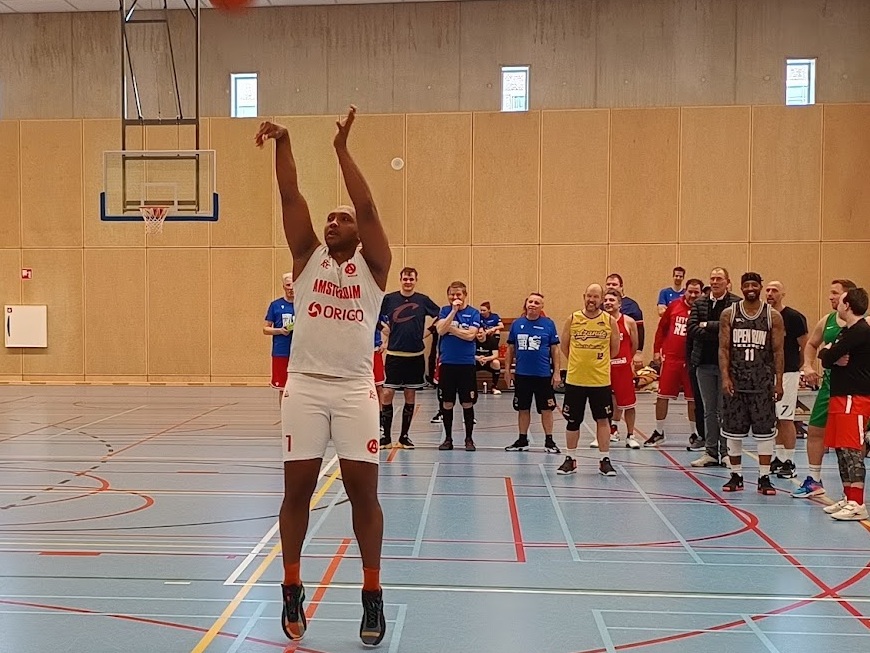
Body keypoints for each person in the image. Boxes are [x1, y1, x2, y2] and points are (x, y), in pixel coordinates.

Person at [255, 106, 390, 646]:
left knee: (364, 496)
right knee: (297, 493)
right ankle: (291, 586)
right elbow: (290, 196)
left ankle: (372, 593)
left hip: (355, 391)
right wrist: (284, 142)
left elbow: (368, 205)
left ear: (359, 233)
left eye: (342, 219)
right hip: (305, 388)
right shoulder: (307, 257)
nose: (333, 222)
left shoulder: (375, 268)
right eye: (329, 218)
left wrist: (340, 150)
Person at [718, 272, 784, 495]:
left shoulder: (772, 316)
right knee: (733, 432)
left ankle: (764, 477)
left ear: (760, 287)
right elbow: (723, 349)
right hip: (736, 383)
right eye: (746, 285)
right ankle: (735, 475)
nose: (750, 289)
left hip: (762, 383)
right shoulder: (729, 314)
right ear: (741, 287)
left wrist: (779, 381)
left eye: (754, 285)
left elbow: (778, 351)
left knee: (765, 433)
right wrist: (725, 377)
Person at [795, 279, 859, 498]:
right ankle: (814, 480)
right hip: (830, 384)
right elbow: (812, 344)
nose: (830, 297)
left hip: (854, 387)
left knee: (851, 440)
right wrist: (807, 365)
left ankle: (853, 490)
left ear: (847, 298)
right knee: (815, 430)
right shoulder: (828, 320)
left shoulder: (863, 324)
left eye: (835, 293)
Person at [818, 287, 870, 520]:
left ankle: (858, 503)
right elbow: (826, 356)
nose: (835, 303)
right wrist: (829, 354)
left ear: (847, 305)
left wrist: (830, 354)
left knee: (852, 450)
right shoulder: (845, 331)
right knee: (840, 448)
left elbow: (829, 356)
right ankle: (848, 497)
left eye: (839, 300)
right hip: (840, 396)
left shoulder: (860, 331)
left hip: (854, 397)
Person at [557, 284, 620, 476]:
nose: (591, 300)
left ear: (601, 298)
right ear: (584, 296)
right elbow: (565, 346)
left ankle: (604, 459)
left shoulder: (609, 321)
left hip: (600, 381)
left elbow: (614, 349)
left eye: (596, 297)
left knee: (603, 420)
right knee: (572, 421)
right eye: (589, 296)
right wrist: (579, 362)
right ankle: (570, 459)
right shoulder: (573, 319)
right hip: (575, 379)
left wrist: (597, 362)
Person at [378, 267, 440, 449]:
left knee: (410, 394)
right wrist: (383, 329)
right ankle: (386, 437)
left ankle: (404, 437)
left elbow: (441, 315)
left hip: (415, 355)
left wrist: (429, 331)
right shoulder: (389, 299)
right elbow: (372, 314)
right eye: (405, 279)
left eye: (411, 279)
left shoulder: (423, 300)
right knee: (387, 393)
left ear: (415, 280)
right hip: (394, 355)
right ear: (400, 280)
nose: (408, 282)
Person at [688, 267, 741, 467]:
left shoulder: (736, 303)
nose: (715, 282)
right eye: (712, 278)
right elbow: (692, 329)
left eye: (719, 278)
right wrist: (718, 330)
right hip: (704, 363)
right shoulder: (699, 303)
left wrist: (706, 325)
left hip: (727, 366)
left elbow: (734, 329)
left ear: (727, 282)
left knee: (725, 409)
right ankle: (710, 452)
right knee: (708, 410)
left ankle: (726, 452)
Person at [646, 278, 704, 447]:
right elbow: (661, 329)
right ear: (685, 291)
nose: (693, 295)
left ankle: (695, 433)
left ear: (701, 293)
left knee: (692, 399)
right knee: (662, 396)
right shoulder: (674, 306)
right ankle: (659, 432)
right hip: (671, 359)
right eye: (690, 291)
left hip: (692, 361)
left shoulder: (702, 309)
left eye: (696, 292)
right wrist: (656, 350)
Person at [503, 293, 561, 454]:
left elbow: (555, 349)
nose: (533, 304)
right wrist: (507, 370)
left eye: (537, 302)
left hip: (543, 375)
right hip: (522, 375)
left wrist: (557, 372)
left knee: (546, 409)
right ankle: (522, 440)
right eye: (530, 301)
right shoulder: (517, 324)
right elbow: (510, 348)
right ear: (526, 303)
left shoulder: (548, 324)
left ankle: (549, 441)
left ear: (542, 307)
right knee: (523, 408)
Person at [764, 281, 808, 480]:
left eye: (774, 290)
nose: (770, 293)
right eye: (768, 290)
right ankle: (780, 457)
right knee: (773, 418)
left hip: (788, 373)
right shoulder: (763, 315)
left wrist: (798, 368)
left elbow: (805, 345)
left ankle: (789, 461)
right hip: (767, 372)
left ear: (783, 294)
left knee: (785, 417)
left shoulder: (794, 317)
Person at [435, 282, 481, 451]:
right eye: (452, 295)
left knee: (467, 402)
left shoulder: (474, 313)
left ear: (465, 295)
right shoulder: (445, 311)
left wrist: (451, 329)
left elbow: (470, 336)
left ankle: (469, 439)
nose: (455, 298)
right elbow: (440, 330)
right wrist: (453, 312)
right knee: (447, 402)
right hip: (448, 363)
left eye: (458, 295)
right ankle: (448, 439)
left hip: (466, 364)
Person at [602, 289, 641, 449]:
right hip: (604, 368)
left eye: (612, 300)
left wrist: (628, 361)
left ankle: (630, 435)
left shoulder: (629, 321)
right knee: (605, 403)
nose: (608, 303)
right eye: (606, 300)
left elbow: (634, 345)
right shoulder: (600, 321)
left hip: (623, 368)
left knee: (629, 404)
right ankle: (606, 433)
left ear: (619, 304)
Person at [263, 273, 295, 404]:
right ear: (283, 286)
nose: (291, 288)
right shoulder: (275, 305)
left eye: (293, 285)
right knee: (283, 388)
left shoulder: (303, 304)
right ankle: (284, 415)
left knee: (299, 389)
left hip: (300, 353)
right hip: (281, 352)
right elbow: (266, 329)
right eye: (288, 285)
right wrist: (280, 331)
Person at [605, 273, 644, 369]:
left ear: (621, 286)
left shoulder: (632, 306)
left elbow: (639, 331)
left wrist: (638, 352)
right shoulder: (602, 306)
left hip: (623, 358)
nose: (611, 286)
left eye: (614, 284)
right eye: (608, 284)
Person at [475, 329, 502, 395]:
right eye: (477, 333)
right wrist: (478, 358)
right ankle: (471, 387)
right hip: (476, 361)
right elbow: (469, 354)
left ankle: (494, 387)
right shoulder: (472, 340)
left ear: (485, 332)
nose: (479, 335)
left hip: (488, 361)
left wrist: (486, 359)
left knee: (496, 363)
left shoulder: (492, 340)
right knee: (467, 363)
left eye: (481, 333)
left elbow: (495, 355)